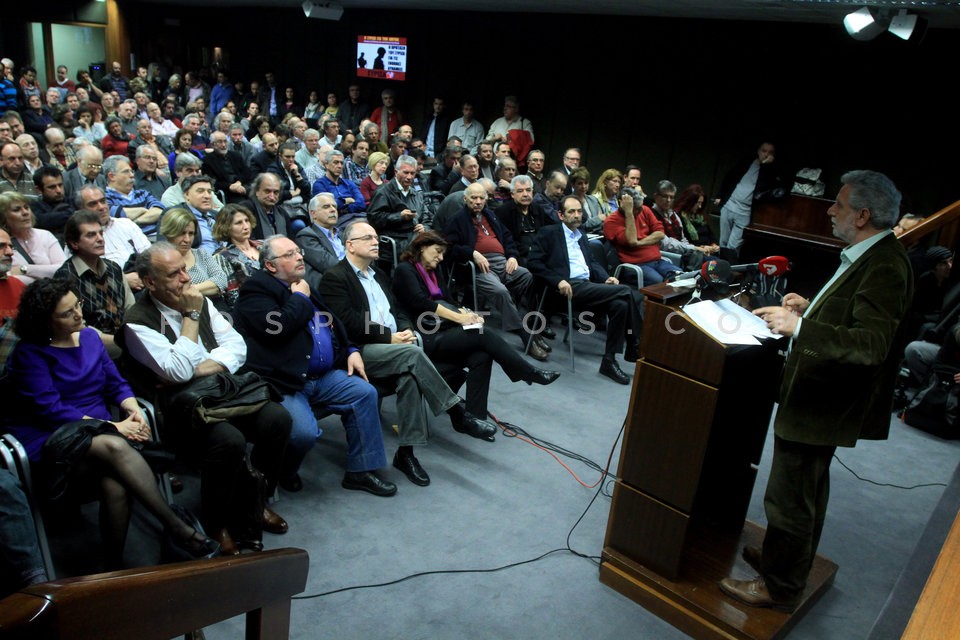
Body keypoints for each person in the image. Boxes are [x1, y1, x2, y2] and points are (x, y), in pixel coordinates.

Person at [719, 170, 914, 612]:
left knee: (791, 499)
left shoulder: (885, 264)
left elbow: (870, 345)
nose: (829, 211)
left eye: (838, 205)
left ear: (862, 215)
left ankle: (780, 586)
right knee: (804, 492)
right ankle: (785, 560)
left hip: (822, 401)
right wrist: (809, 309)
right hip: (818, 395)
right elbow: (850, 317)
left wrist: (800, 327)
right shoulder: (871, 254)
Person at [6, 278, 218, 569]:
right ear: (46, 321)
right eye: (67, 313)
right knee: (114, 445)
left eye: (78, 305)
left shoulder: (90, 338)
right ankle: (176, 526)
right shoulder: (30, 352)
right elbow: (51, 409)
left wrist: (133, 409)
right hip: (53, 438)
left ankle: (114, 566)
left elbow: (115, 383)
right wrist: (116, 427)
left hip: (101, 434)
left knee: (114, 484)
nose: (79, 314)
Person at [119, 242, 292, 556]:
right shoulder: (136, 322)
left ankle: (254, 503)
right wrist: (190, 316)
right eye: (174, 274)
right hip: (178, 409)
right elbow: (176, 373)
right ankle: (216, 522)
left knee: (277, 419)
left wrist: (198, 368)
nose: (186, 278)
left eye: (184, 269)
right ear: (150, 282)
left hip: (219, 391)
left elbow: (237, 347)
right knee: (228, 440)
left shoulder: (199, 300)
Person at [317, 221, 499, 487]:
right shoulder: (335, 277)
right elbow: (347, 322)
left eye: (376, 237)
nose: (375, 241)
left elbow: (398, 310)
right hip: (360, 351)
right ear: (350, 245)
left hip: (396, 345)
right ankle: (457, 413)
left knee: (410, 378)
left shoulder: (378, 274)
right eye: (368, 238)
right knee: (412, 355)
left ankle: (406, 454)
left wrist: (406, 329)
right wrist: (388, 337)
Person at [234, 235, 397, 497]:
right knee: (302, 434)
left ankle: (360, 471)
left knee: (364, 393)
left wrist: (351, 350)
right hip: (285, 381)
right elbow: (277, 329)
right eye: (289, 254)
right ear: (270, 265)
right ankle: (285, 470)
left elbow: (334, 321)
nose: (299, 256)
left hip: (322, 375)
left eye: (298, 251)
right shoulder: (255, 291)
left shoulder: (301, 283)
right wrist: (300, 298)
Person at [392, 230, 560, 417]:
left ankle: (476, 417)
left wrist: (469, 314)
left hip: (444, 328)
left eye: (442, 254)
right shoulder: (404, 270)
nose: (441, 258)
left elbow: (450, 300)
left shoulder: (435, 270)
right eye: (437, 252)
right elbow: (421, 303)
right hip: (424, 334)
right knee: (482, 334)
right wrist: (459, 318)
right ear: (422, 247)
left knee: (482, 356)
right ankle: (525, 371)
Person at [528, 195, 644, 385]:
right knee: (625, 291)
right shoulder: (549, 233)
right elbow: (534, 263)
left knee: (620, 304)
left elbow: (592, 263)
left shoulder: (581, 235)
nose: (577, 215)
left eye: (579, 211)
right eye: (571, 211)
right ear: (561, 215)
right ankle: (635, 342)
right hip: (565, 289)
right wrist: (558, 281)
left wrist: (605, 278)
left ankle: (609, 361)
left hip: (586, 286)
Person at [442, 182, 548, 360]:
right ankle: (526, 337)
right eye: (474, 198)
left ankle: (532, 326)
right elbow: (448, 247)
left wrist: (512, 256)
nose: (478, 201)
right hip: (479, 267)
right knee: (500, 291)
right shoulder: (457, 220)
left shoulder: (490, 215)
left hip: (503, 262)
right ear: (465, 199)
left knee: (529, 277)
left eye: (481, 198)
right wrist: (472, 253)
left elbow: (507, 237)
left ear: (486, 199)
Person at [54, 210, 135, 357]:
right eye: (91, 235)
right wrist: (126, 343)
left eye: (100, 233)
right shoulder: (65, 277)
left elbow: (131, 308)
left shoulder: (114, 268)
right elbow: (78, 329)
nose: (100, 239)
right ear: (74, 243)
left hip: (126, 342)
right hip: (90, 352)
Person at [716, 140, 783, 258]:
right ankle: (719, 265)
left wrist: (766, 166)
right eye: (764, 151)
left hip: (745, 212)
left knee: (733, 247)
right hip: (729, 205)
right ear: (758, 151)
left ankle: (728, 266)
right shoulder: (747, 162)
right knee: (723, 242)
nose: (766, 155)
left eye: (770, 152)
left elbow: (766, 186)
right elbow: (730, 176)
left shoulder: (770, 171)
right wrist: (720, 195)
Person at [603, 186, 681, 285]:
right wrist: (629, 213)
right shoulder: (611, 221)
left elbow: (660, 233)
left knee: (679, 277)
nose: (641, 210)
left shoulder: (644, 210)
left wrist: (639, 243)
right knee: (658, 282)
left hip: (657, 260)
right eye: (636, 208)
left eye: (641, 206)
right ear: (622, 204)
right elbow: (631, 240)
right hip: (636, 265)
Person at [159, 207, 229, 309]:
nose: (187, 239)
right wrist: (211, 287)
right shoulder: (161, 261)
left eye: (191, 233)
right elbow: (172, 293)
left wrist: (190, 290)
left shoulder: (201, 253)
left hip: (217, 307)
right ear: (169, 233)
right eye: (182, 233)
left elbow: (221, 279)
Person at [366, 154, 423, 265]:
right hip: (394, 239)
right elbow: (373, 218)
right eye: (406, 172)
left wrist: (423, 226)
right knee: (424, 249)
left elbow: (426, 216)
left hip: (413, 235)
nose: (409, 177)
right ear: (396, 172)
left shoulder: (416, 194)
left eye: (412, 173)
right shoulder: (383, 192)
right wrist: (399, 216)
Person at [0, 191, 65, 284]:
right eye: (16, 210)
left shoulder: (45, 235)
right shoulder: (3, 243)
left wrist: (24, 269)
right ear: (3, 216)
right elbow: (8, 279)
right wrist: (46, 275)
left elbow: (63, 269)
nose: (25, 212)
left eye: (26, 207)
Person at [212, 204, 262, 309]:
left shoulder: (264, 245)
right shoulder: (223, 257)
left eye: (247, 220)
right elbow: (233, 297)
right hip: (253, 307)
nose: (246, 226)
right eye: (239, 223)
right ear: (226, 227)